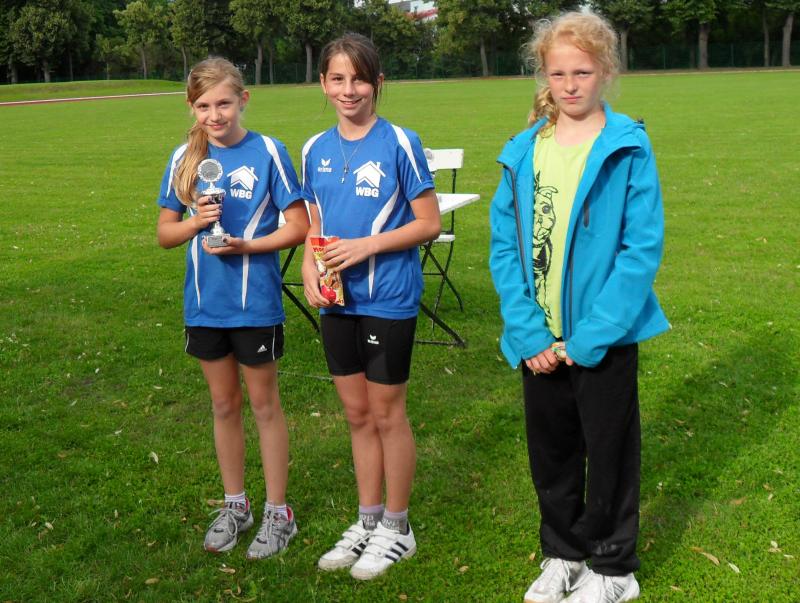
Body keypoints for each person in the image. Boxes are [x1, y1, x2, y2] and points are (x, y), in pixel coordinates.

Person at [488, 12, 669, 603]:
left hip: (602, 339)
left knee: (610, 452)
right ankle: (563, 554)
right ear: (544, 75)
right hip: (538, 341)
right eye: (558, 73)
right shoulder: (523, 151)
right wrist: (527, 332)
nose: (570, 85)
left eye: (583, 72)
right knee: (553, 454)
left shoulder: (626, 147)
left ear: (606, 72)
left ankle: (614, 569)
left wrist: (593, 335)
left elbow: (640, 250)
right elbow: (505, 247)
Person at [300, 33, 440, 580]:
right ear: (323, 84)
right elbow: (315, 223)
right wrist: (310, 267)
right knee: (356, 414)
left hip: (388, 298)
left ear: (378, 83)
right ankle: (368, 519)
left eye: (359, 79)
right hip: (338, 302)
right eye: (338, 78)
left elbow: (428, 223)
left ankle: (398, 527)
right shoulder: (313, 148)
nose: (349, 89)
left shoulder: (401, 142)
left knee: (386, 413)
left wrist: (366, 247)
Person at [156, 57, 309, 560]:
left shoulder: (268, 151)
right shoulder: (184, 157)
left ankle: (278, 512)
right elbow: (165, 234)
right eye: (203, 106)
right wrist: (197, 222)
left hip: (255, 304)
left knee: (264, 406)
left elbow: (298, 226)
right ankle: (235, 505)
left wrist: (248, 246)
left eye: (223, 103)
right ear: (191, 107)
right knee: (224, 406)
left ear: (244, 100)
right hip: (205, 306)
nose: (214, 115)